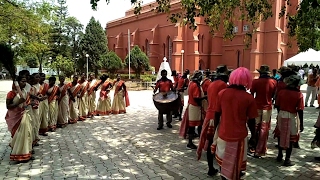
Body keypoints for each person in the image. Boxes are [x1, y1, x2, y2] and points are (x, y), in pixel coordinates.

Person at [211, 67, 258, 180]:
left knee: (223, 164)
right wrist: (254, 136)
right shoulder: (248, 98)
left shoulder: (222, 93)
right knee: (236, 166)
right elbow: (251, 120)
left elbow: (217, 114)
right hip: (239, 137)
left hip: (223, 133)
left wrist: (215, 130)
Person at [197, 68, 229, 177]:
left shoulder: (211, 84)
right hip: (217, 117)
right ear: (224, 76)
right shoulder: (224, 86)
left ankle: (211, 168)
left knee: (210, 143)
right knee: (220, 144)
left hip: (209, 115)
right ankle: (222, 170)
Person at [275, 75, 304, 166]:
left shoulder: (281, 92)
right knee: (291, 138)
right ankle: (287, 159)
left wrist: (279, 115)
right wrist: (302, 123)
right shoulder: (299, 94)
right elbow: (300, 110)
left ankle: (279, 155)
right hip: (292, 115)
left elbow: (277, 105)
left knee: (281, 134)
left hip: (281, 114)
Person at [249, 65, 277, 158]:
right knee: (264, 128)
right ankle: (261, 149)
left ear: (260, 73)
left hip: (257, 106)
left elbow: (252, 93)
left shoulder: (256, 82)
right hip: (267, 107)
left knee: (256, 127)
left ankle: (253, 146)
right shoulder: (273, 82)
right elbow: (274, 95)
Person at [5, 76, 34, 162]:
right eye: (22, 81)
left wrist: (30, 103)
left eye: (25, 81)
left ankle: (26, 153)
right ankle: (17, 154)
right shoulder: (11, 93)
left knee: (27, 134)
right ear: (17, 83)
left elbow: (25, 103)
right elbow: (8, 106)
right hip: (15, 117)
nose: (24, 83)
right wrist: (18, 102)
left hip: (23, 115)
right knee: (18, 135)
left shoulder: (24, 91)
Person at [179, 71, 205, 149]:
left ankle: (195, 141)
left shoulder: (191, 83)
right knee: (193, 126)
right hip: (195, 107)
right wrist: (205, 98)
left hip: (192, 106)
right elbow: (196, 98)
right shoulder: (195, 85)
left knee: (193, 125)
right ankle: (191, 142)